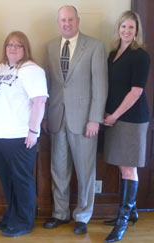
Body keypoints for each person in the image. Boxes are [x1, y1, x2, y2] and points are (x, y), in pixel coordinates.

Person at [43, 5, 108, 235]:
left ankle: (82, 215)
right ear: (58, 22)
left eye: (70, 19)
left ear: (78, 21)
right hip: (57, 118)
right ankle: (59, 214)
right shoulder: (50, 47)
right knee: (58, 169)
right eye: (62, 20)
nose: (66, 23)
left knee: (85, 170)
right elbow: (48, 85)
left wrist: (95, 119)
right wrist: (43, 116)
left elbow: (100, 87)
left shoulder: (95, 46)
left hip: (84, 122)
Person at [0, 31, 48, 237]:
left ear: (25, 48)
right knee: (7, 179)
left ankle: (24, 221)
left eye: (18, 45)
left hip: (19, 135)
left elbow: (40, 101)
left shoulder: (31, 70)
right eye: (9, 44)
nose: (13, 48)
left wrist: (33, 131)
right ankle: (13, 215)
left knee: (22, 180)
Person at [103, 10, 150, 243]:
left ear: (137, 31)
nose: (127, 31)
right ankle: (130, 213)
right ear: (118, 29)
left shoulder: (140, 56)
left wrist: (114, 116)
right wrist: (106, 114)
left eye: (131, 28)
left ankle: (122, 222)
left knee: (129, 168)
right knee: (123, 166)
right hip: (113, 117)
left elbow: (136, 92)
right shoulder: (113, 54)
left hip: (131, 119)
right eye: (123, 27)